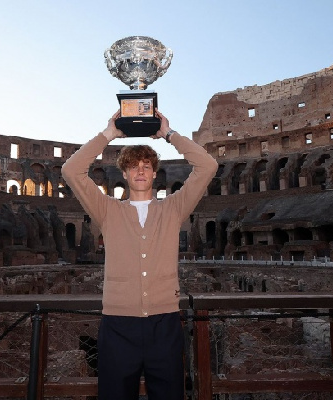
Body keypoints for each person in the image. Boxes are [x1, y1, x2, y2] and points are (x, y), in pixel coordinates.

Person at [61, 109, 217, 400]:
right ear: (124, 174)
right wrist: (109, 134)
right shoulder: (107, 209)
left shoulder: (173, 207)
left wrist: (168, 134)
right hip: (118, 323)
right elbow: (71, 170)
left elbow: (207, 166)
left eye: (146, 165)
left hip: (165, 322)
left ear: (155, 173)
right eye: (134, 167)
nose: (141, 171)